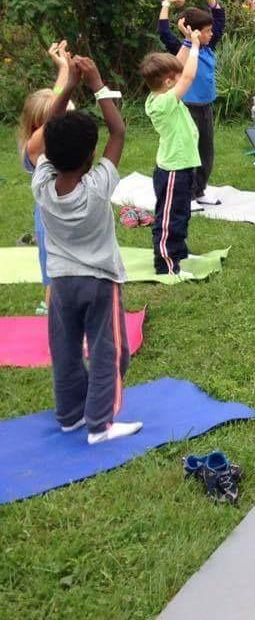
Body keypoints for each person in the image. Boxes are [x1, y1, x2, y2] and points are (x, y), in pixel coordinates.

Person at [32, 54, 141, 444]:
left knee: (63, 350)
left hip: (61, 284)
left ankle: (69, 415)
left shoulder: (41, 184)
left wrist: (69, 88)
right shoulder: (96, 189)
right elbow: (119, 132)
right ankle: (100, 424)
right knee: (109, 351)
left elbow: (48, 129)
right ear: (91, 156)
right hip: (98, 283)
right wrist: (97, 84)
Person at [139, 34, 202, 277]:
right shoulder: (162, 103)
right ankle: (165, 265)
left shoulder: (162, 94)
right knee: (169, 220)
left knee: (181, 213)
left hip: (183, 167)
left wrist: (187, 42)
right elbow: (187, 76)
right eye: (174, 79)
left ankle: (178, 253)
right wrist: (196, 47)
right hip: (173, 170)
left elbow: (177, 67)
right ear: (167, 83)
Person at [19, 41, 75, 315]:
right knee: (55, 271)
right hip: (50, 216)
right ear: (36, 125)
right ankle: (54, 313)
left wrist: (63, 68)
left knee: (73, 267)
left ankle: (64, 308)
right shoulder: (33, 147)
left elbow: (56, 105)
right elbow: (56, 110)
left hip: (70, 210)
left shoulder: (57, 138)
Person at [157, 0, 225, 204]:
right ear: (194, 32)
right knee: (188, 152)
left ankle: (199, 190)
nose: (211, 33)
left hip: (205, 106)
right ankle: (186, 194)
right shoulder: (181, 47)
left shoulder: (209, 46)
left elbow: (219, 17)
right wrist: (166, 4)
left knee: (206, 151)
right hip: (187, 107)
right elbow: (164, 31)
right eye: (206, 31)